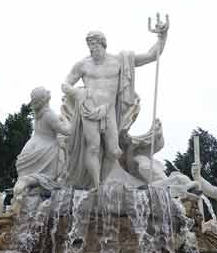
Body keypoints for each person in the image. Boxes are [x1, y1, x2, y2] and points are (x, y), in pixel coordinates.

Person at [61, 22, 168, 188]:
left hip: (109, 110)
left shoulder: (119, 61)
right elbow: (65, 84)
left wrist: (162, 35)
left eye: (94, 44)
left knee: (114, 151)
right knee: (93, 147)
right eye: (89, 45)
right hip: (88, 109)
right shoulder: (83, 64)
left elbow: (151, 55)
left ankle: (102, 180)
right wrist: (78, 93)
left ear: (103, 44)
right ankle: (97, 186)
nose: (92, 48)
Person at [13, 87, 71, 200]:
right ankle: (25, 186)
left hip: (30, 148)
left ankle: (22, 192)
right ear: (45, 98)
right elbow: (67, 131)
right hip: (45, 150)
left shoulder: (38, 115)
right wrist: (66, 119)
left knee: (29, 179)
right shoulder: (49, 114)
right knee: (43, 177)